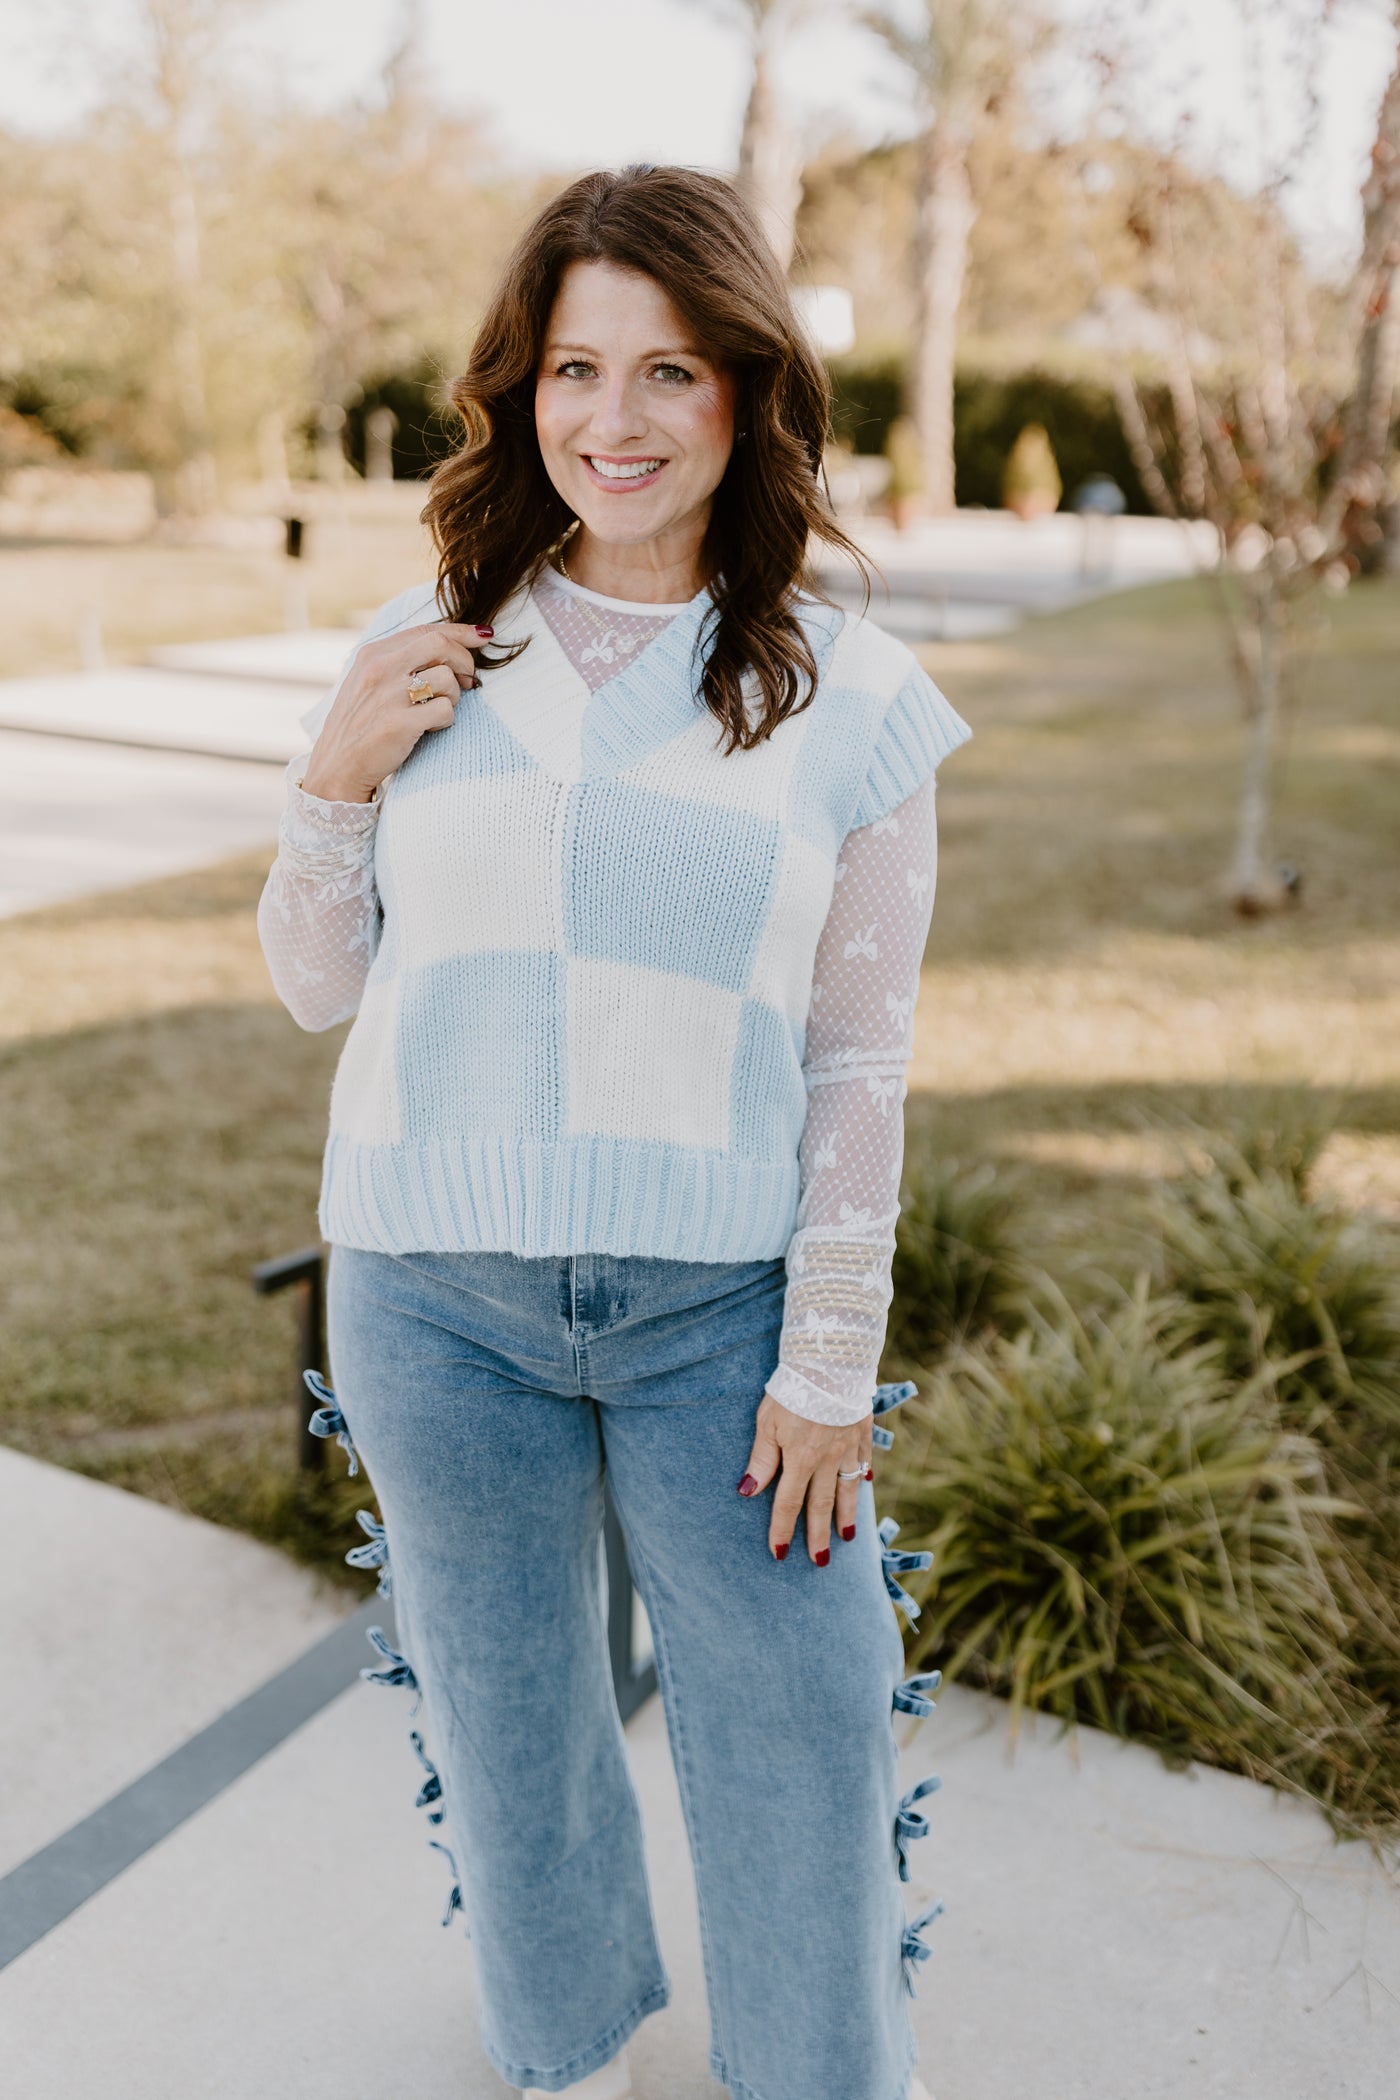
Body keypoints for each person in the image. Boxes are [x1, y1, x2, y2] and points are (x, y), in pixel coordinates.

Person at [258, 163, 970, 2100]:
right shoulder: (425, 645)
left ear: (744, 394)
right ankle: (567, 2054)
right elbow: (321, 981)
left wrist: (829, 1356)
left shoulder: (853, 698)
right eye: (576, 369)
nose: (614, 422)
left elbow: (856, 1059)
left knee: (802, 1729)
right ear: (522, 386)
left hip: (718, 1327)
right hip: (431, 1297)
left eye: (668, 373)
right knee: (511, 1727)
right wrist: (334, 770)